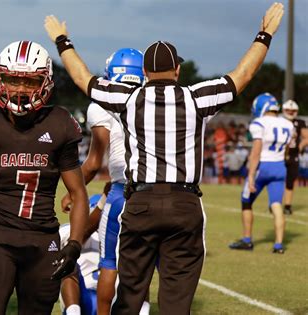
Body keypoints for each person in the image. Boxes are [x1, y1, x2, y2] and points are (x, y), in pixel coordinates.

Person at [44, 3, 284, 313]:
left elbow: (82, 78)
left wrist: (63, 40)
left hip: (140, 203)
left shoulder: (130, 98)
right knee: (175, 302)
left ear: (145, 72)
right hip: (184, 204)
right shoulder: (196, 97)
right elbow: (244, 74)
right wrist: (264, 34)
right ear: (178, 70)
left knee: (129, 295)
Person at [0, 41, 89, 314]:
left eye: (31, 82)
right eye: (12, 80)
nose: (20, 90)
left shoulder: (59, 123)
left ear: (45, 82)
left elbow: (78, 192)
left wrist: (74, 245)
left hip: (42, 241)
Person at [61, 48, 149, 315]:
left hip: (123, 189)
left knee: (109, 260)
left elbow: (93, 163)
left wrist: (73, 191)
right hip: (158, 191)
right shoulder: (153, 97)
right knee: (145, 262)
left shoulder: (101, 104)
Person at [229, 93, 293, 254]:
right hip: (279, 166)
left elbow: (256, 151)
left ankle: (247, 240)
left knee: (246, 201)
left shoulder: (259, 123)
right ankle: (278, 245)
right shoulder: (287, 124)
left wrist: (251, 175)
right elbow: (286, 149)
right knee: (276, 204)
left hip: (263, 167)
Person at [282, 99, 308, 215]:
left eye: (293, 110)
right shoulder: (279, 121)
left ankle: (287, 205)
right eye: (289, 110)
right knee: (277, 180)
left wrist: (300, 147)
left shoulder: (299, 122)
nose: (291, 112)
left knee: (290, 181)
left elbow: (306, 137)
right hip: (279, 155)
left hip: (293, 156)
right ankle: (275, 202)